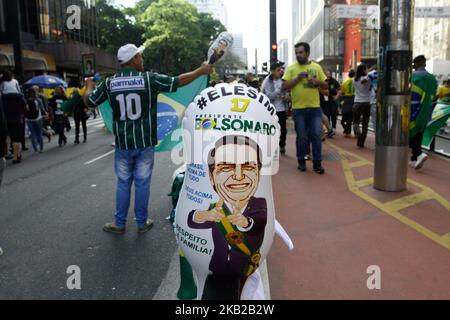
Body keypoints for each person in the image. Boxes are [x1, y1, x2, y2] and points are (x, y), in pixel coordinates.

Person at [85, 43, 213, 234]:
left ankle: (119, 224)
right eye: (140, 56)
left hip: (123, 144)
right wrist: (200, 71)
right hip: (144, 143)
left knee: (123, 183)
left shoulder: (109, 83)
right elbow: (177, 81)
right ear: (133, 59)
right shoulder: (148, 79)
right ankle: (141, 223)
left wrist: (88, 86)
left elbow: (90, 101)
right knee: (142, 183)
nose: (142, 60)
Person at [187, 135, 267, 299]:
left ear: (259, 173)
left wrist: (245, 222)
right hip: (215, 268)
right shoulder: (215, 207)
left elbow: (260, 221)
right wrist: (202, 215)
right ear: (211, 177)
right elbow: (192, 222)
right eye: (225, 167)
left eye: (248, 167)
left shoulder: (259, 204)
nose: (238, 176)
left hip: (246, 270)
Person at [282, 42, 328, 174]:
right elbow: (284, 87)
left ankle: (317, 163)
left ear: (307, 53)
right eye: (296, 53)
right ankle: (301, 161)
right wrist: (297, 78)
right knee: (301, 136)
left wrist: (317, 82)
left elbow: (326, 86)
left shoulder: (316, 67)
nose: (298, 55)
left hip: (314, 109)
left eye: (301, 52)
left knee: (316, 136)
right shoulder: (291, 69)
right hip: (299, 109)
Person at [409, 55, 438, 169]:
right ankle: (414, 158)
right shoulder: (432, 78)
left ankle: (419, 154)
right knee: (419, 134)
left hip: (414, 109)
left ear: (416, 64)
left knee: (410, 134)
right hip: (427, 111)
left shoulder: (413, 77)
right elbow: (435, 94)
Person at [261, 62, 289, 154]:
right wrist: (279, 91)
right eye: (278, 70)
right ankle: (272, 146)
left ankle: (282, 145)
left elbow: (287, 95)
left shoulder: (283, 80)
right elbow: (269, 96)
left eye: (281, 69)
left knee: (283, 129)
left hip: (282, 109)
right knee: (271, 129)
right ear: (272, 71)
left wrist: (286, 97)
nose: (280, 71)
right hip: (271, 110)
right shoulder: (267, 81)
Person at [353, 63, 371, 148]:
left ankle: (359, 136)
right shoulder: (368, 79)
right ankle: (362, 141)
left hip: (357, 103)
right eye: (366, 69)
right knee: (365, 123)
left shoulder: (355, 79)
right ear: (364, 70)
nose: (367, 70)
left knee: (356, 122)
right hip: (367, 102)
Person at [25, 88, 47, 153]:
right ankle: (41, 148)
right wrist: (45, 114)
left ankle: (35, 149)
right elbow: (42, 109)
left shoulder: (26, 100)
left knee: (33, 134)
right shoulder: (38, 100)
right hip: (38, 118)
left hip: (29, 119)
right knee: (39, 133)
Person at [340, 69, 356, 137]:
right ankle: (348, 131)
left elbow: (342, 92)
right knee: (350, 117)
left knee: (344, 117)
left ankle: (347, 130)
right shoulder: (356, 81)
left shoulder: (345, 82)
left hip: (346, 100)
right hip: (354, 99)